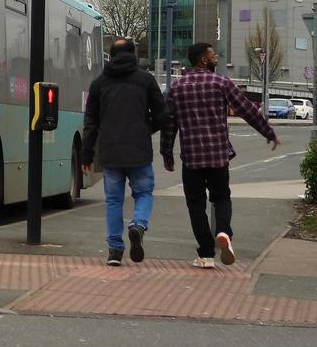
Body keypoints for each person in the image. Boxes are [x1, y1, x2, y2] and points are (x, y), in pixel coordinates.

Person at [161, 41, 280, 269]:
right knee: (222, 198)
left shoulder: (177, 88)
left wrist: (167, 154)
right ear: (203, 59)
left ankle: (206, 254)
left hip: (192, 158)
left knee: (196, 205)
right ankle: (224, 232)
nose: (217, 58)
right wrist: (268, 131)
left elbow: (169, 125)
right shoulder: (221, 82)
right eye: (213, 55)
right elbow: (246, 109)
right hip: (218, 156)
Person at [81, 37, 171, 266]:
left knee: (113, 200)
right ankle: (138, 225)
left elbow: (90, 122)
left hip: (110, 152)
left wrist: (86, 155)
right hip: (139, 150)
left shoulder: (99, 83)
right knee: (143, 193)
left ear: (110, 56)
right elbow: (163, 115)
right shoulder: (146, 80)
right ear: (134, 55)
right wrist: (146, 128)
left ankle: (114, 250)